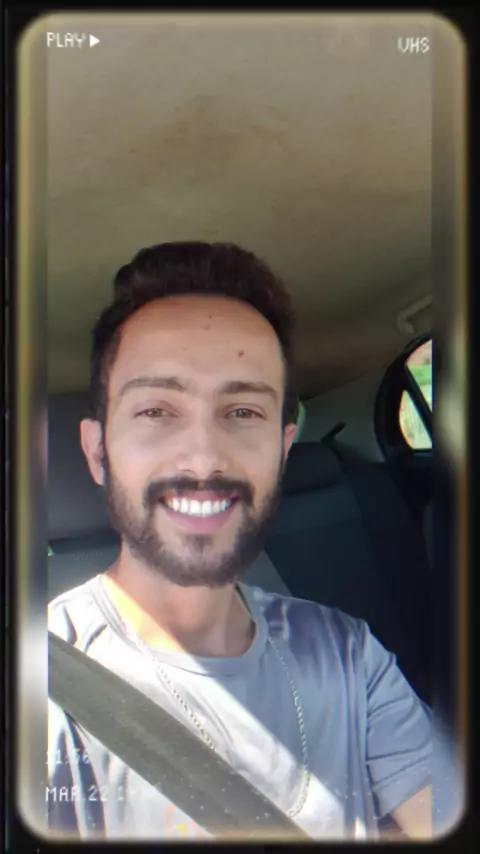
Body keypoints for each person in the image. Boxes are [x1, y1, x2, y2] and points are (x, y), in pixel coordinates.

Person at [47, 242, 432, 841]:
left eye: (244, 412)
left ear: (282, 449)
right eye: (156, 411)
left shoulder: (350, 655)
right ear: (97, 452)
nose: (204, 458)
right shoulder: (44, 688)